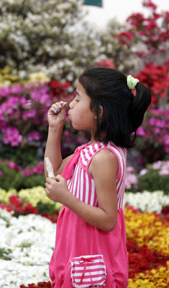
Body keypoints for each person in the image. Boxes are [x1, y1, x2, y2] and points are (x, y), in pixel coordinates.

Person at [44, 67, 151, 288]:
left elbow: (108, 219)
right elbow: (53, 172)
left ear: (99, 111)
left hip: (92, 255)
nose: (70, 105)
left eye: (77, 98)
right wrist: (55, 130)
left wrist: (67, 199)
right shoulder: (89, 151)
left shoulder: (103, 158)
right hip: (78, 250)